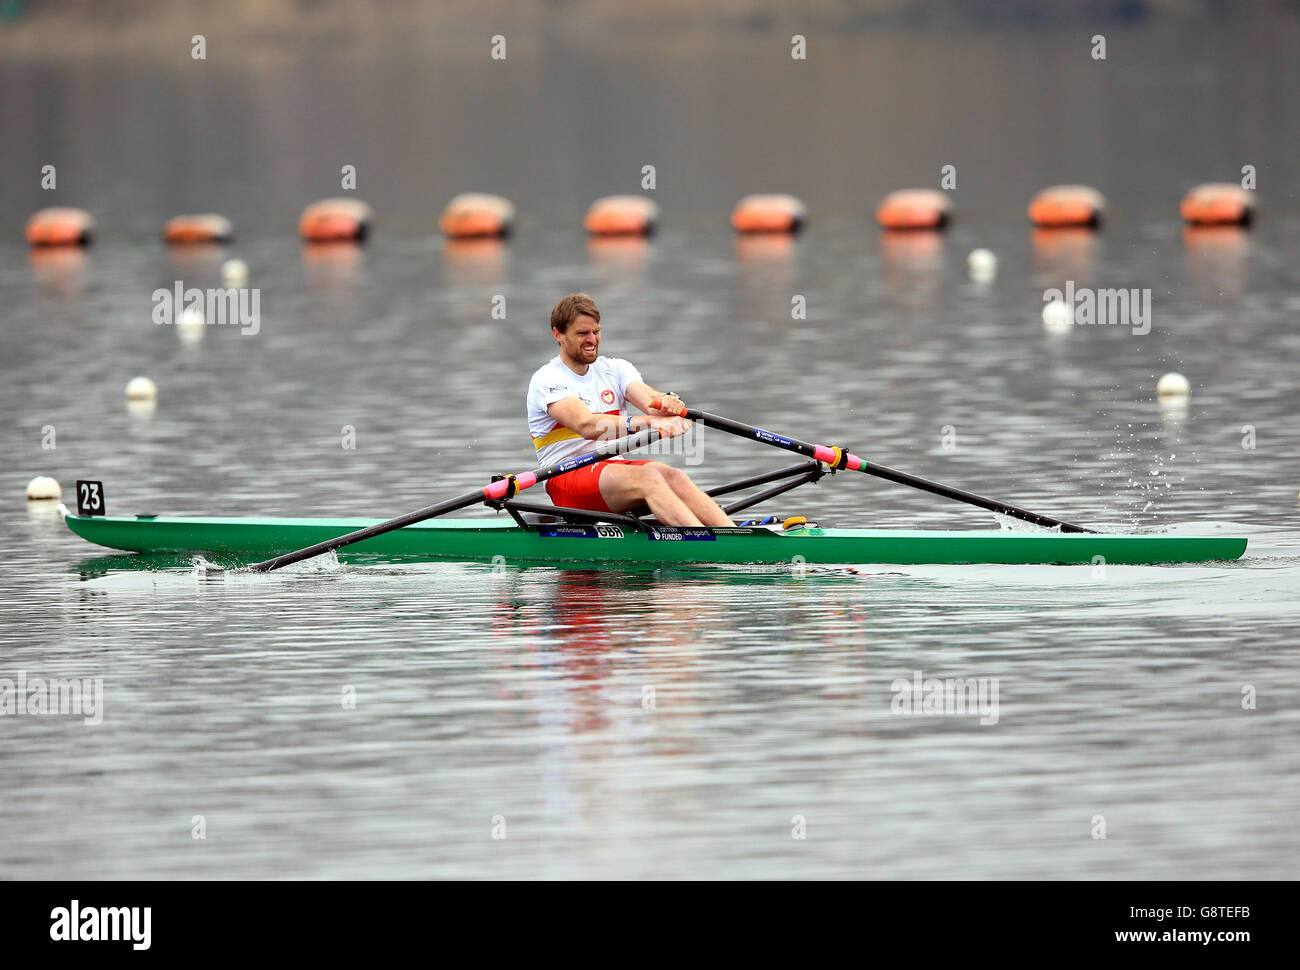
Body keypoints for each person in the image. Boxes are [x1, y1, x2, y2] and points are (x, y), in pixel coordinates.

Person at [526, 293, 732, 527]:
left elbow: (650, 401)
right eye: (582, 333)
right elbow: (586, 425)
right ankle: (707, 547)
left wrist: (666, 402)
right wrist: (647, 423)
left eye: (596, 331)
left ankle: (734, 539)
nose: (592, 340)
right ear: (558, 334)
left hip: (609, 472)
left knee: (675, 477)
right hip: (566, 478)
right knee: (649, 478)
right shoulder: (547, 378)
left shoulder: (615, 369)